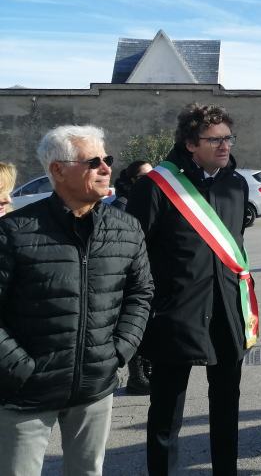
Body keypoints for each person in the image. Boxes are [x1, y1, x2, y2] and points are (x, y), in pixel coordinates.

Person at [0, 125, 153, 475]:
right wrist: (21, 368)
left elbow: (141, 293)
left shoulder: (126, 228)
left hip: (94, 386)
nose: (106, 168)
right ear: (57, 169)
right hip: (26, 392)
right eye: (93, 161)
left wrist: (118, 352)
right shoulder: (14, 232)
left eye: (107, 160)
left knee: (87, 471)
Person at [127, 104, 256, 476]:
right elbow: (135, 256)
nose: (224, 146)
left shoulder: (236, 184)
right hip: (175, 315)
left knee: (226, 408)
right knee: (167, 414)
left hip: (228, 311)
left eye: (227, 138)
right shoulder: (155, 187)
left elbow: (234, 246)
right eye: (214, 139)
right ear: (189, 143)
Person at [112, 160, 155, 395]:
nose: (151, 179)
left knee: (146, 324)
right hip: (128, 276)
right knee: (135, 323)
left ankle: (144, 373)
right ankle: (137, 377)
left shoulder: (145, 199)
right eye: (144, 176)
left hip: (145, 271)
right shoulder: (122, 205)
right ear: (132, 181)